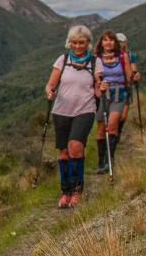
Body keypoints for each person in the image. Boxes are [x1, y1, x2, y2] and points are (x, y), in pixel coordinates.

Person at [44, 25, 98, 208]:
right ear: (70, 42)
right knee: (64, 152)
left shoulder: (94, 62)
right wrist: (50, 92)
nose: (77, 46)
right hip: (61, 111)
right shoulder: (63, 59)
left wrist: (102, 88)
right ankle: (65, 190)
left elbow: (98, 87)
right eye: (74, 42)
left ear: (88, 43)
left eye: (81, 42)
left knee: (75, 147)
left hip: (85, 109)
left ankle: (76, 190)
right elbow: (50, 84)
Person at [94, 30, 135, 174]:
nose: (108, 42)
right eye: (105, 40)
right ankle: (101, 160)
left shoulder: (123, 57)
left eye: (111, 40)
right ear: (101, 43)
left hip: (119, 94)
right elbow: (95, 78)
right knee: (100, 130)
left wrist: (134, 76)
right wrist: (99, 87)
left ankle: (109, 159)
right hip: (103, 95)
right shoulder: (97, 59)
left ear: (115, 43)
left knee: (112, 125)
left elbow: (129, 76)